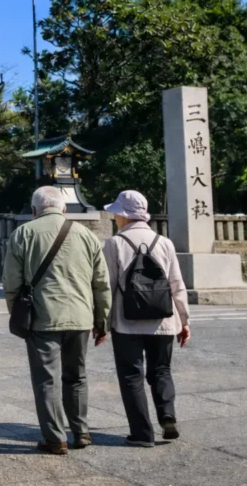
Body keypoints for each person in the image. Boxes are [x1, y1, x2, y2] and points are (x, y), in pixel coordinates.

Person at [3, 186, 111, 455]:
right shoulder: (87, 235)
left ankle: (55, 438)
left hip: (42, 318)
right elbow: (101, 283)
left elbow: (11, 283)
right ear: (64, 209)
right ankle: (81, 431)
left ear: (34, 211)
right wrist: (102, 321)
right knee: (77, 376)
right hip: (81, 317)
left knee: (46, 380)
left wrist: (17, 314)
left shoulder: (24, 234)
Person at [103, 190, 191, 448]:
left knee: (131, 376)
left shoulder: (114, 244)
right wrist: (183, 320)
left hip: (126, 321)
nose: (115, 217)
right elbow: (177, 284)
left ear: (123, 215)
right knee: (161, 370)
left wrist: (102, 323)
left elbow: (106, 286)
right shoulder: (164, 243)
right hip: (163, 319)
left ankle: (141, 434)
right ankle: (167, 415)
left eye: (116, 213)